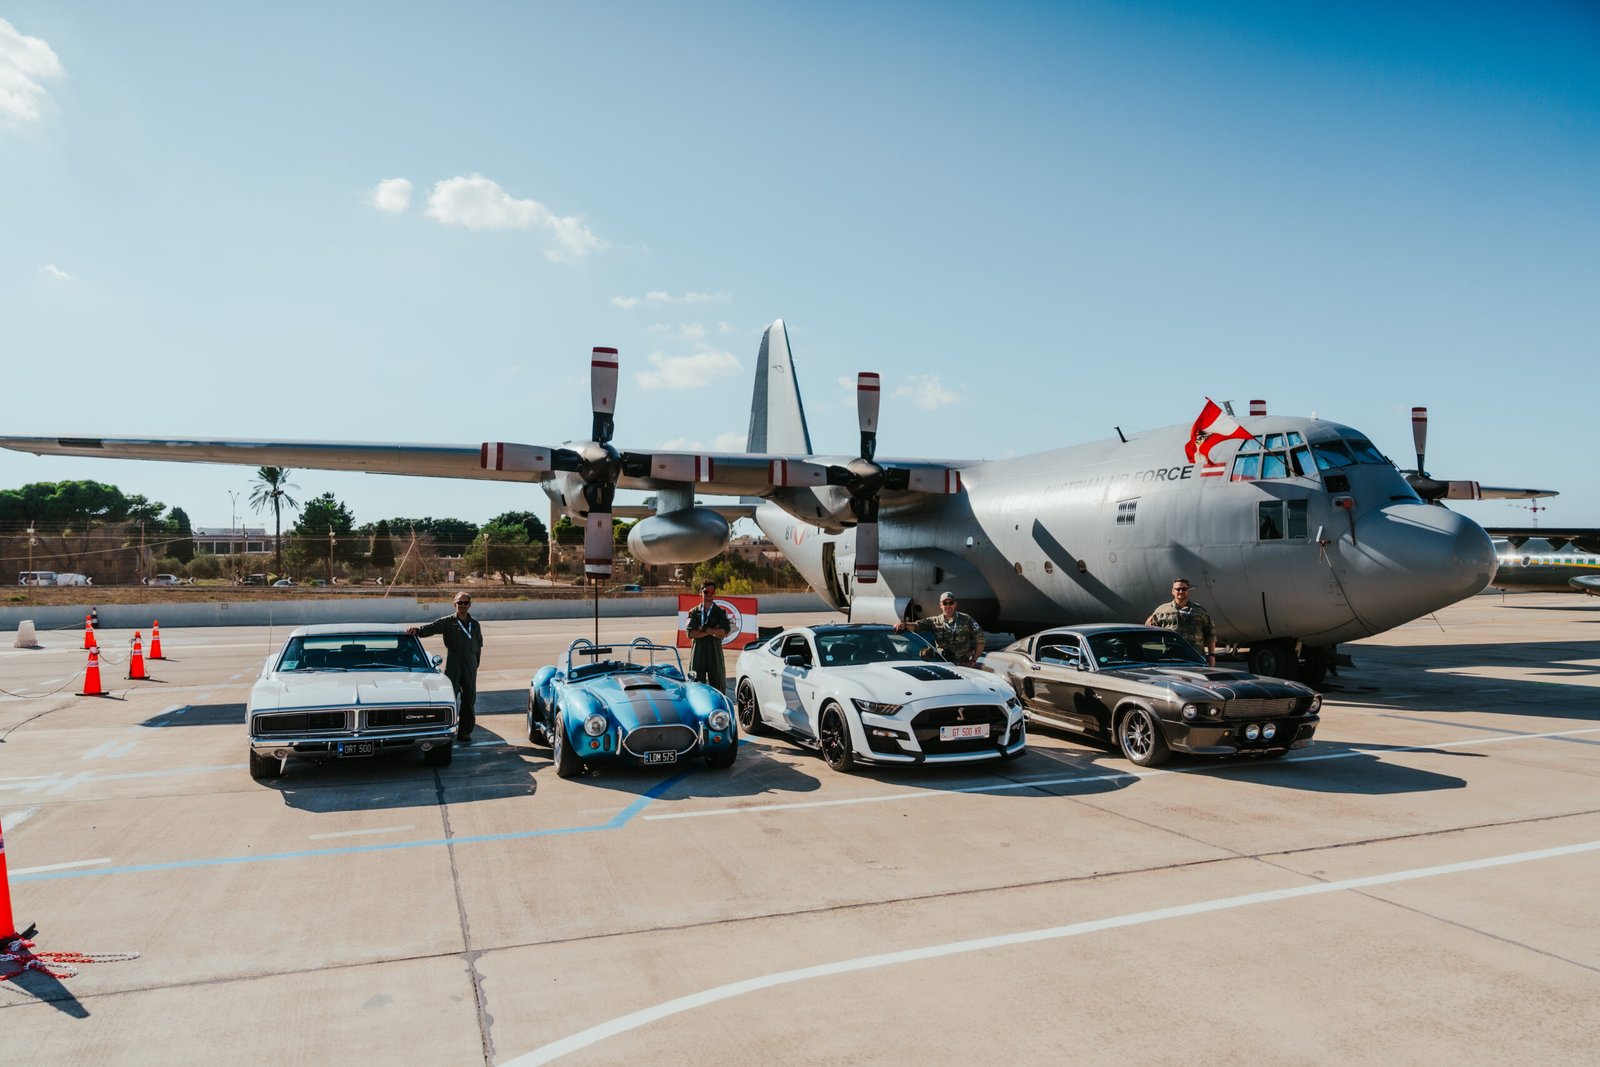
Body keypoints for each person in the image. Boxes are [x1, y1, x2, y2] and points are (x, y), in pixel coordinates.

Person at [408, 593, 484, 742]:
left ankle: (465, 732)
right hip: (454, 663)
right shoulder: (448, 622)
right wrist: (417, 631)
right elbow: (431, 628)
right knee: (451, 697)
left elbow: (479, 645)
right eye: (459, 603)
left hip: (470, 665)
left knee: (469, 699)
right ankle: (448, 729)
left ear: (470, 604)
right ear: (454, 604)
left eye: (465, 603)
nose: (462, 605)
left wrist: (475, 664)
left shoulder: (475, 624)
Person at [896, 591, 984, 667]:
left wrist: (973, 660)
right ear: (940, 605)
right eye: (945, 603)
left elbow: (981, 639)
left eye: (951, 603)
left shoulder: (966, 619)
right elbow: (916, 626)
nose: (948, 606)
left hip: (962, 666)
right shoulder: (934, 621)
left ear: (955, 604)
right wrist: (904, 624)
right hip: (943, 664)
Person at [1146, 578, 1216, 665]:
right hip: (1170, 658)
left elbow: (1210, 633)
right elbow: (1149, 632)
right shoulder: (1162, 611)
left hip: (1196, 658)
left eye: (1184, 589)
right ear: (1173, 591)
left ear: (1188, 591)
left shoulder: (1199, 611)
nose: (1181, 591)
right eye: (1178, 589)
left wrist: (1212, 655)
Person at [685, 581, 732, 693]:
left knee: (718, 684)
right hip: (698, 652)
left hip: (714, 652)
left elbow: (723, 633)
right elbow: (690, 634)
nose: (709, 594)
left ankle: (719, 704)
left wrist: (704, 629)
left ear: (715, 593)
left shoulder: (720, 612)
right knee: (696, 685)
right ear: (700, 593)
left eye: (712, 592)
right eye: (706, 592)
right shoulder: (694, 612)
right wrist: (713, 630)